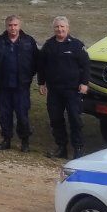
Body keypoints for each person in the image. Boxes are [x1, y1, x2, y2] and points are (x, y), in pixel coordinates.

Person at [37, 15, 91, 159]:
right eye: (57, 27)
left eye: (62, 26)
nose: (59, 29)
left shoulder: (76, 45)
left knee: (75, 119)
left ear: (68, 28)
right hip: (54, 90)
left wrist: (85, 83)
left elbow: (86, 65)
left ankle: (78, 149)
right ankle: (61, 147)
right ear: (53, 28)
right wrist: (41, 83)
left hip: (73, 90)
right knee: (55, 119)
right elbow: (41, 66)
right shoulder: (48, 45)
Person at [0, 15, 38, 151]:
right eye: (10, 25)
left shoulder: (28, 41)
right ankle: (6, 139)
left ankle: (25, 141)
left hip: (21, 85)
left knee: (22, 114)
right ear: (6, 26)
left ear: (19, 26)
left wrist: (28, 75)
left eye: (15, 25)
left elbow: (35, 61)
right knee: (5, 114)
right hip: (4, 85)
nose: (13, 28)